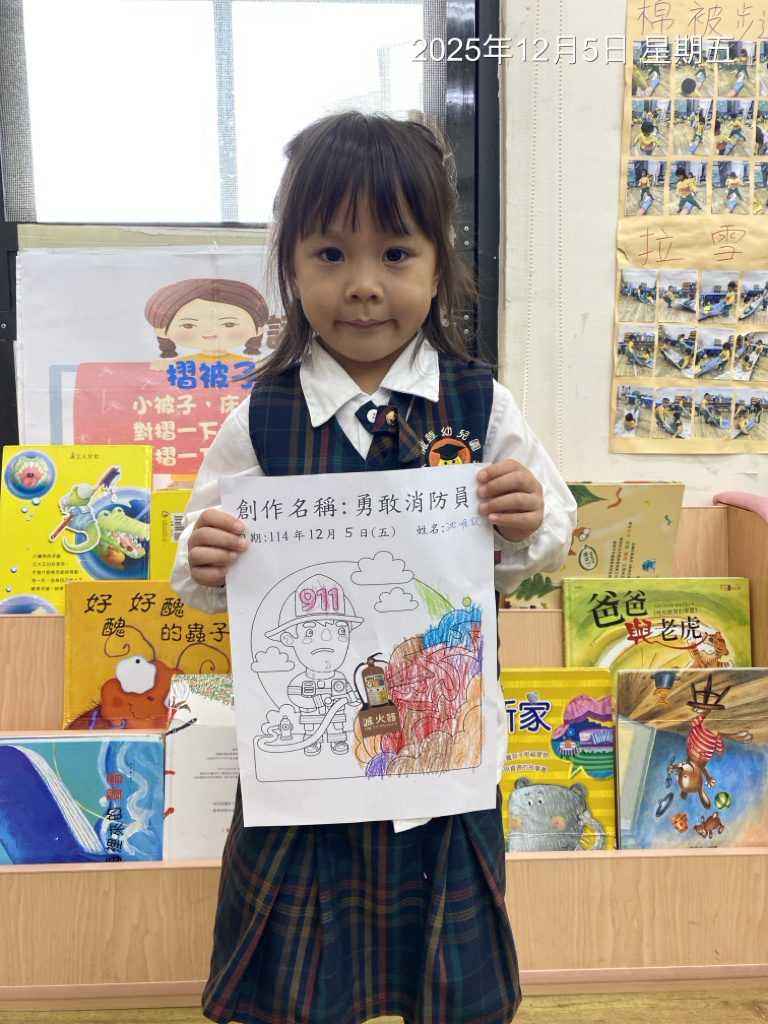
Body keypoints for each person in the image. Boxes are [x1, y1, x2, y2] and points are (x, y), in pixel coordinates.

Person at [170, 112, 576, 1024]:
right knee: (296, 990)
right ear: (291, 267)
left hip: (441, 771)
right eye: (329, 254)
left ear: (439, 264)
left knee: (449, 985)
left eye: (394, 253)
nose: (362, 285)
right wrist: (206, 554)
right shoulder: (260, 418)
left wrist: (524, 517)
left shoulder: (480, 403)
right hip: (302, 777)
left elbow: (548, 534)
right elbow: (199, 557)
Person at [144, 278, 270, 362]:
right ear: (162, 331)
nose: (210, 331)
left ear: (257, 330)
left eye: (229, 324)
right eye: (188, 325)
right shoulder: (177, 365)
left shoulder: (253, 364)